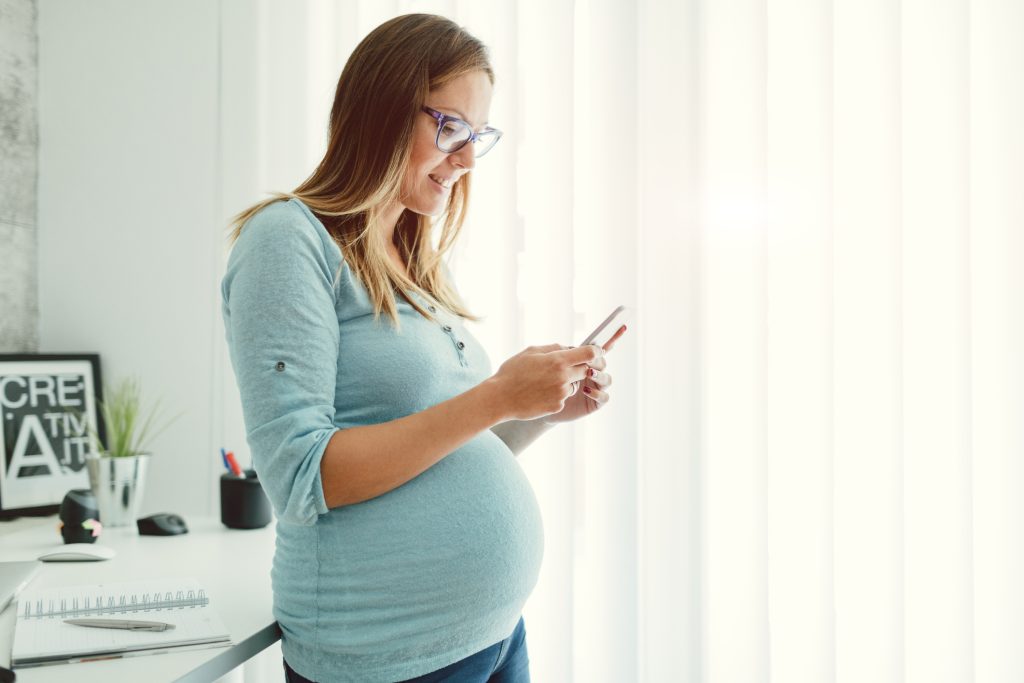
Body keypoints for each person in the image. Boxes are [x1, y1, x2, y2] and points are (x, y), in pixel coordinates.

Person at [221, 13, 623, 683]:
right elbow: (300, 476)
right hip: (391, 656)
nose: (466, 160)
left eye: (478, 136)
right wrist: (496, 394)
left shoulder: (412, 259)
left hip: (491, 635)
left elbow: (440, 445)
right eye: (451, 128)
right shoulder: (286, 243)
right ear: (382, 111)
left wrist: (535, 412)